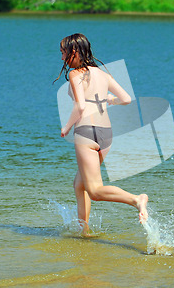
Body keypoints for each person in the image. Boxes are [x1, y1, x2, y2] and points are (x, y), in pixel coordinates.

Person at [54, 33, 148, 235]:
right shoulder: (104, 74)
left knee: (95, 190)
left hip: (86, 134)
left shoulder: (74, 75)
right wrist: (108, 100)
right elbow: (126, 99)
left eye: (63, 53)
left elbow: (79, 106)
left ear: (74, 52)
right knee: (80, 185)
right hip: (106, 135)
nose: (62, 58)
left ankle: (136, 199)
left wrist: (66, 127)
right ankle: (84, 231)